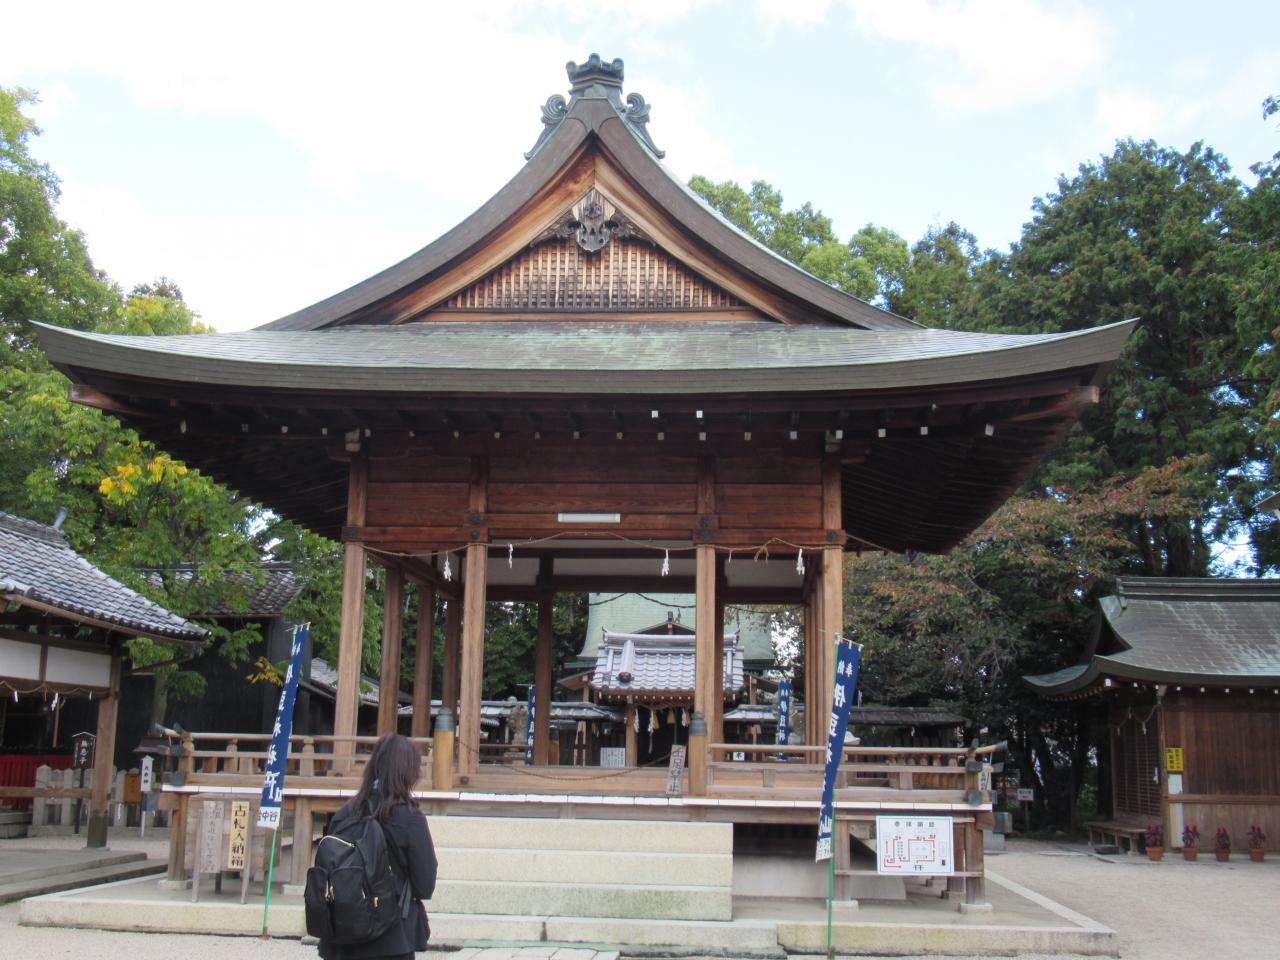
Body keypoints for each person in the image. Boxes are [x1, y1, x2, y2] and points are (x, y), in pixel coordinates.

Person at [318, 734, 437, 960]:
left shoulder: (346, 813)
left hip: (342, 930)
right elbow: (425, 884)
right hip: (391, 937)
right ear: (409, 772)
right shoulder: (410, 818)